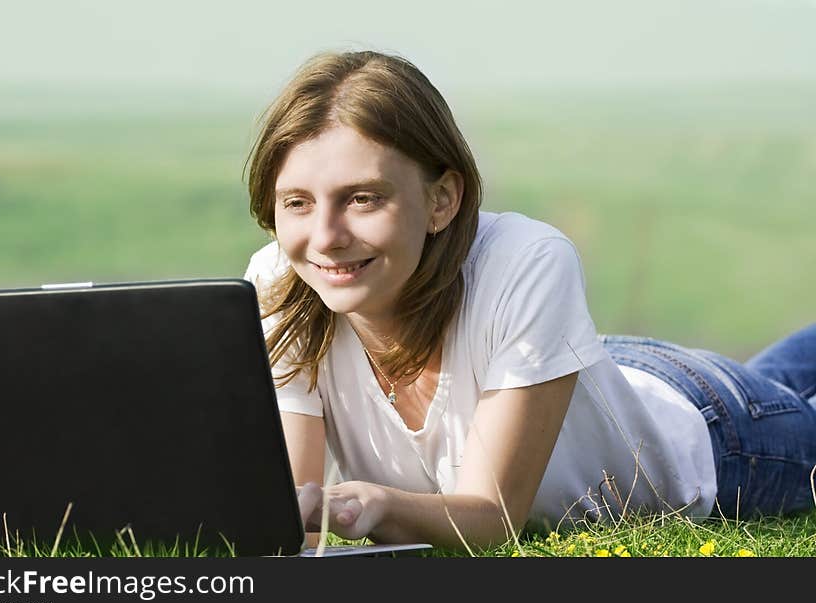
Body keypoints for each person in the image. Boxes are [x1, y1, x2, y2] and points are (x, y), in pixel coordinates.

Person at [242, 50, 816, 551]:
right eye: (297, 203)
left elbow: (493, 517)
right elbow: (292, 513)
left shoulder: (528, 260)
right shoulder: (283, 283)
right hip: (582, 373)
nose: (324, 237)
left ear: (441, 200)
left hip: (715, 428)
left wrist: (378, 505)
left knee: (791, 403)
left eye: (362, 198)